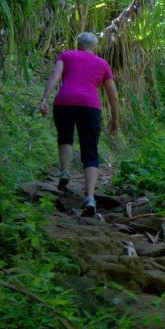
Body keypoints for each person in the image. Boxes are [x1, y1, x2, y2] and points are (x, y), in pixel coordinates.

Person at [37, 32, 120, 217]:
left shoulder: (66, 55)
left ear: (78, 44)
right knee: (90, 150)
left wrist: (44, 99)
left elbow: (54, 76)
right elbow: (113, 96)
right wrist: (115, 118)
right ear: (95, 47)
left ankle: (65, 171)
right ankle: (90, 197)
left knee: (65, 137)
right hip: (90, 107)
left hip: (64, 102)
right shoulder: (102, 63)